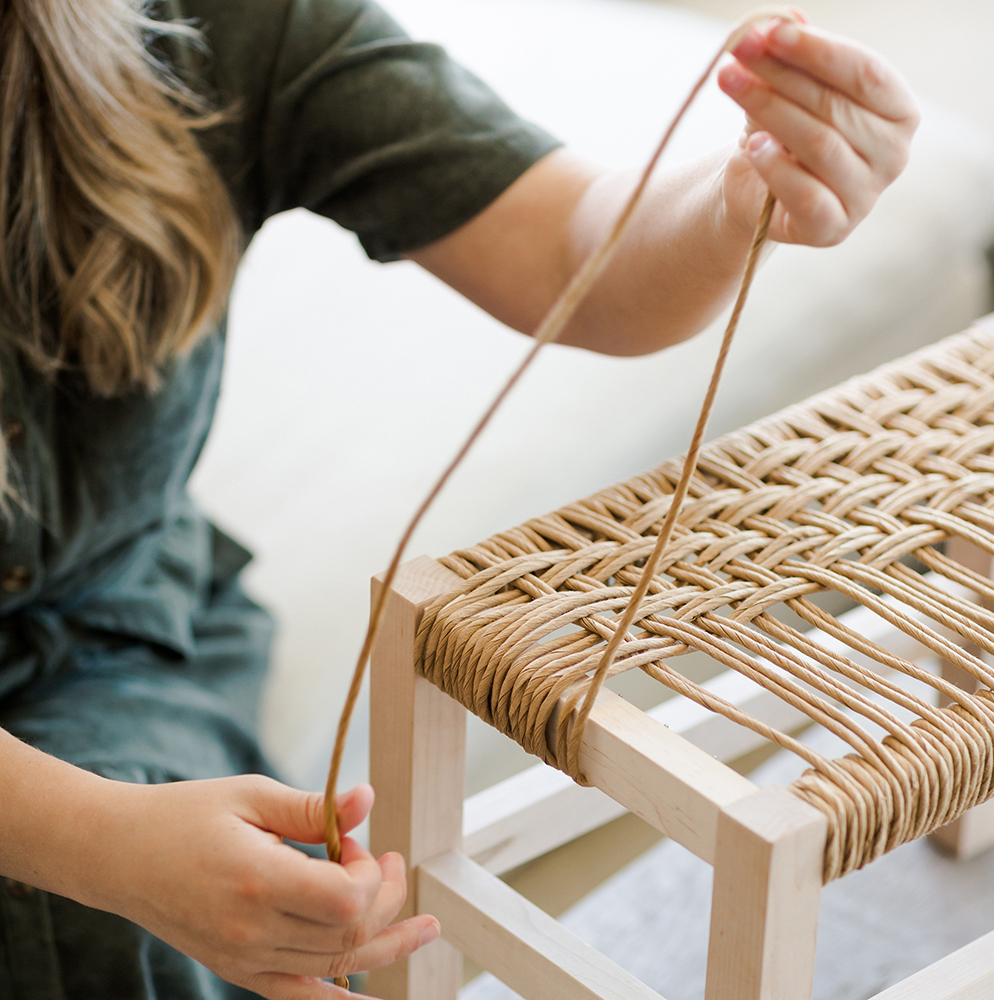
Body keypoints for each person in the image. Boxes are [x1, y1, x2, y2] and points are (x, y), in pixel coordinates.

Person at [0, 0, 917, 997]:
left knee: (125, 943)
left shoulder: (207, 26)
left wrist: (736, 199)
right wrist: (97, 842)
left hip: (102, 634)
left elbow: (571, 247)